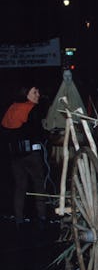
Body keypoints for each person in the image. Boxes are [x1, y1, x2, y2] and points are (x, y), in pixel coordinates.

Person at [1, 85, 48, 229]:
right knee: (39, 184)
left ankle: (19, 219)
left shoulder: (12, 107)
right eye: (34, 92)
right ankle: (42, 217)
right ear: (26, 94)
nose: (38, 94)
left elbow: (5, 128)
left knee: (20, 186)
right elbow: (38, 132)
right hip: (31, 155)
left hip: (15, 155)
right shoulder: (32, 109)